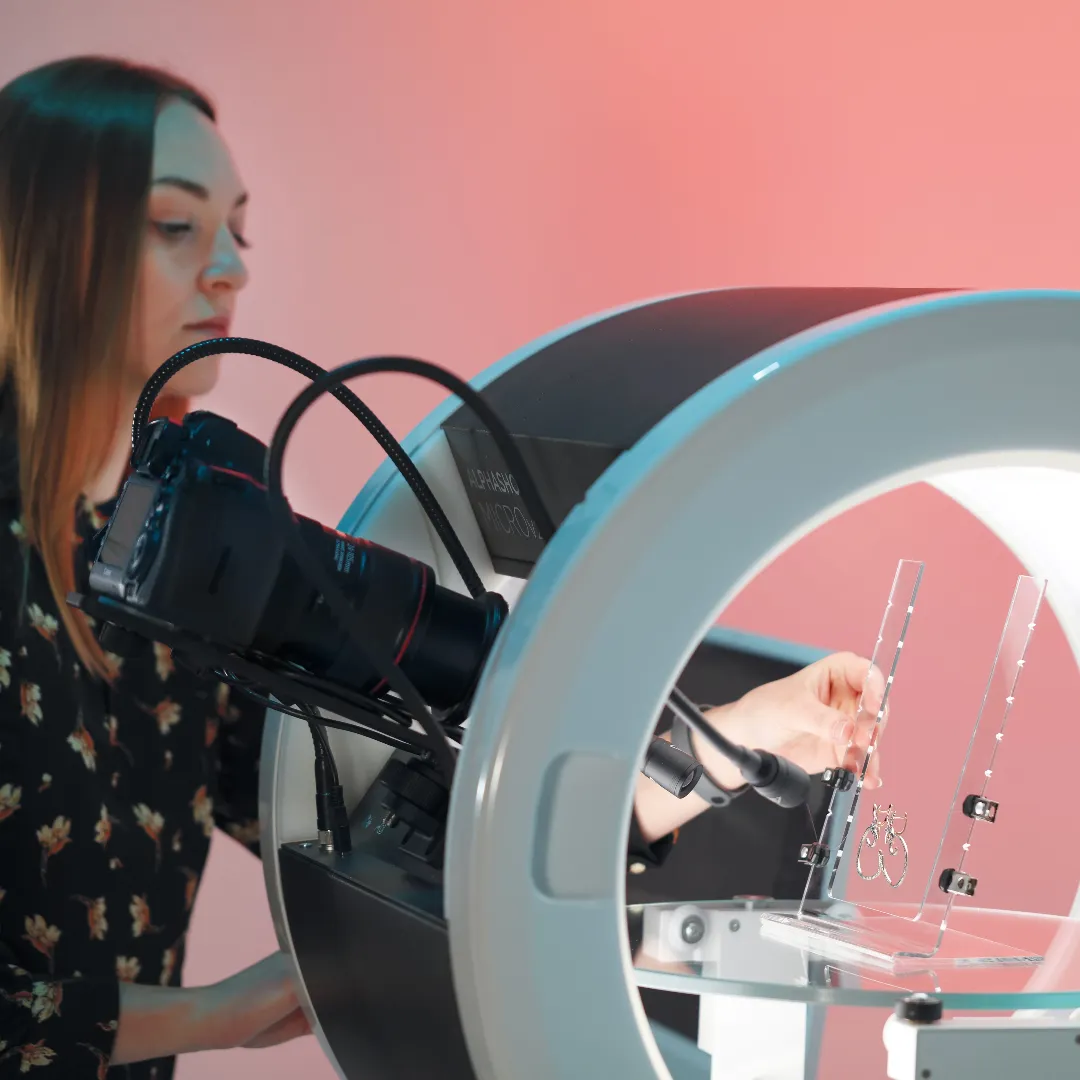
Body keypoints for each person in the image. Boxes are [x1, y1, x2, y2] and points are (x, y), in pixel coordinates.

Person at [0, 55, 883, 1078]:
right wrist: (216, 1015)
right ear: (44, 242)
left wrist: (735, 739)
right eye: (174, 225)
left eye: (238, 230)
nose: (231, 268)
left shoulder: (170, 567)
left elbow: (435, 815)